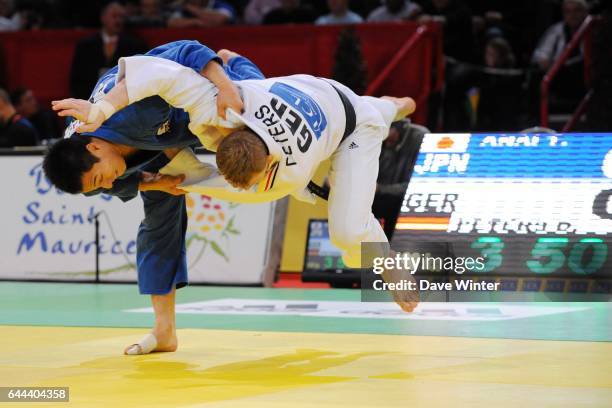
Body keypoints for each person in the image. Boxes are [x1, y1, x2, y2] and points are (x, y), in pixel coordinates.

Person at [50, 54, 420, 332]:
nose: (204, 136)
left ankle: (389, 260)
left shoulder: (284, 177)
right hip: (312, 88)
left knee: (348, 232)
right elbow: (163, 73)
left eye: (101, 180)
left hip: (353, 128)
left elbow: (204, 177)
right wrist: (105, 107)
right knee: (229, 91)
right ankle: (393, 105)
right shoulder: (222, 102)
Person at [44, 40, 251, 356]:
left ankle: (229, 62)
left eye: (100, 178)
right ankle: (164, 332)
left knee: (253, 111)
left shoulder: (132, 109)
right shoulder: (81, 161)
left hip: (192, 105)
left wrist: (223, 85)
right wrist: (158, 184)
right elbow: (111, 182)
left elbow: (187, 49)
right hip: (153, 145)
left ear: (94, 148)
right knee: (157, 226)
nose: (104, 183)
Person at [69, 2, 146, 99]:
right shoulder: (85, 46)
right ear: (103, 18)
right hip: (90, 98)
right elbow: (77, 79)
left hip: (123, 101)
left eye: (121, 17)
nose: (118, 20)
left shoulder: (135, 45)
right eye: (114, 16)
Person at [373, 119, 426, 239]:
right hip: (377, 205)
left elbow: (419, 186)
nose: (385, 141)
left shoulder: (419, 137)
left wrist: (380, 188)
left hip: (404, 206)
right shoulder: (375, 137)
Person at [167, 0, 235, 27]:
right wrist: (195, 22)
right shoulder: (184, 8)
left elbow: (219, 20)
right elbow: (171, 23)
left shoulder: (220, 4)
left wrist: (193, 9)